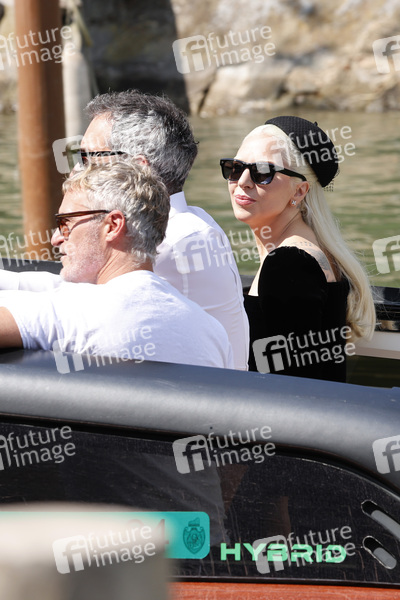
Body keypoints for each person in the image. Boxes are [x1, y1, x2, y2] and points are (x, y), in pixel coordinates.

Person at [3, 91, 249, 370]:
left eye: (87, 157)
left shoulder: (175, 241)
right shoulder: (193, 221)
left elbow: (71, 301)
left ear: (139, 168)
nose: (75, 170)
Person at [0, 159, 233, 369]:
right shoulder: (212, 333)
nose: (56, 238)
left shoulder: (72, 311)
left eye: (66, 223)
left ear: (112, 226)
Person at [220, 116, 376, 382]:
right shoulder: (308, 252)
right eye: (235, 168)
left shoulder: (289, 264)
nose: (243, 181)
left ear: (299, 191)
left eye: (262, 172)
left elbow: (292, 388)